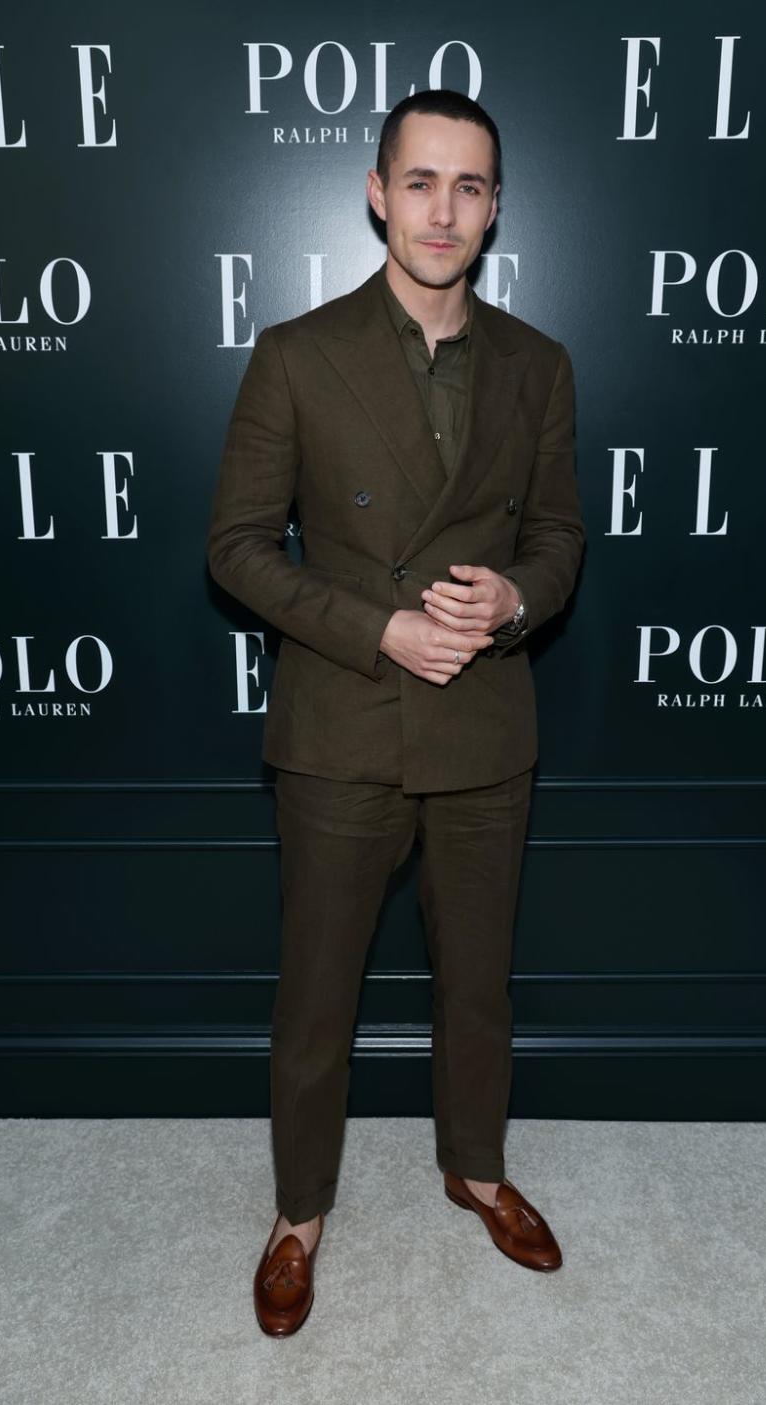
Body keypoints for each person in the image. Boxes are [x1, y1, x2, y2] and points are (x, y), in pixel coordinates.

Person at [206, 87, 585, 1337]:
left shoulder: (537, 364)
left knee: (478, 983)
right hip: (344, 724)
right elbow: (239, 550)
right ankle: (299, 1213)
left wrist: (516, 594)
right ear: (377, 194)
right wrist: (382, 626)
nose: (444, 209)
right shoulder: (297, 355)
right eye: (421, 182)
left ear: (493, 209)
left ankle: (474, 1168)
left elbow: (561, 536)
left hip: (485, 726)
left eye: (469, 186)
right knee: (318, 991)